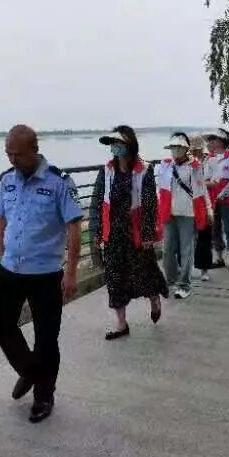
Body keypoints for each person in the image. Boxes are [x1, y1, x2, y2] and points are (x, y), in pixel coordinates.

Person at [0, 125, 83, 423]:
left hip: (45, 273)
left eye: (17, 154)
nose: (12, 159)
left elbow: (74, 226)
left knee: (46, 338)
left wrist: (71, 271)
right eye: (8, 154)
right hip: (10, 269)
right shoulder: (7, 180)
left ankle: (44, 396)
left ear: (34, 150)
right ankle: (29, 371)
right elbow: (2, 220)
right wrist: (1, 254)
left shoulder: (59, 182)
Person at [90, 126, 167, 340]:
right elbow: (98, 202)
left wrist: (148, 234)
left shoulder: (144, 170)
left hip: (136, 232)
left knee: (144, 272)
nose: (115, 147)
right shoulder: (106, 171)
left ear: (130, 145)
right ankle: (121, 323)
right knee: (114, 278)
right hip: (113, 234)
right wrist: (97, 231)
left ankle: (154, 298)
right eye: (113, 144)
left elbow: (150, 204)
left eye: (119, 143)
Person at [155, 132, 212, 299]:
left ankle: (184, 284)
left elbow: (202, 189)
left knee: (186, 249)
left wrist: (209, 209)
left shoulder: (195, 167)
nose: (175, 151)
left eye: (179, 147)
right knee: (167, 250)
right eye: (173, 147)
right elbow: (160, 189)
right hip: (169, 213)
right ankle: (172, 278)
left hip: (188, 213)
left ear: (186, 149)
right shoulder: (165, 165)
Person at [204, 128, 229, 271]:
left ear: (222, 141)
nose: (211, 142)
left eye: (213, 139)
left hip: (227, 199)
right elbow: (206, 178)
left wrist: (223, 194)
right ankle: (219, 258)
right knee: (215, 229)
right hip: (213, 200)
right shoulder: (210, 159)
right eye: (210, 140)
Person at [188, 133, 215, 281]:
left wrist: (209, 210)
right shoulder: (182, 165)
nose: (195, 152)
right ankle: (185, 268)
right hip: (187, 206)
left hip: (202, 204)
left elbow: (205, 188)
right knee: (186, 239)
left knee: (204, 237)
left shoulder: (207, 162)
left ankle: (204, 269)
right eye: (192, 150)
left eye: (196, 149)